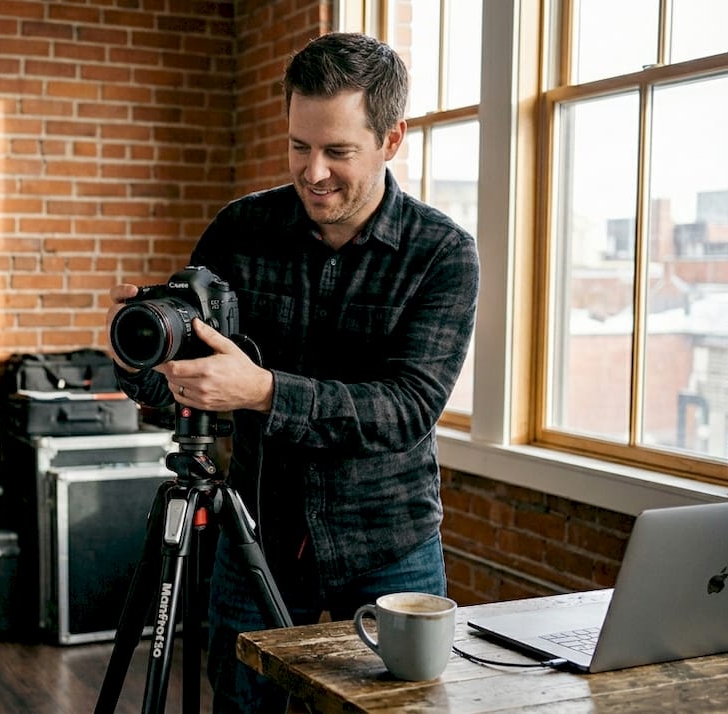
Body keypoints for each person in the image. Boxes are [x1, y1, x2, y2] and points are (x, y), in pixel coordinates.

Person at [106, 32, 480, 712]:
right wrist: (148, 363)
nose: (312, 173)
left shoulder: (442, 254)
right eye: (298, 146)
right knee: (244, 707)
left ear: (391, 139)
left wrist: (265, 390)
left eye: (338, 151)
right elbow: (189, 378)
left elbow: (406, 407)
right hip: (256, 533)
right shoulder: (241, 230)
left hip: (389, 544)